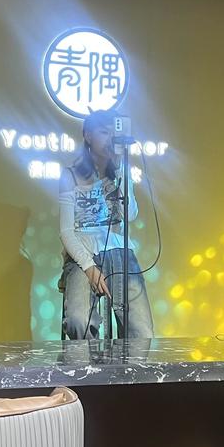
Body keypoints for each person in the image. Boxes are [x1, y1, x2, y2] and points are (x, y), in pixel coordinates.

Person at [59, 109, 154, 340]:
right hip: (84, 253)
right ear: (88, 135)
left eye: (113, 133)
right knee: (78, 321)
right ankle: (89, 363)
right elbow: (66, 231)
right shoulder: (70, 175)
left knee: (141, 330)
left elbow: (130, 215)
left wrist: (121, 169)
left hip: (120, 252)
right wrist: (89, 267)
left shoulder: (121, 171)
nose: (110, 138)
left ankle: (127, 364)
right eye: (104, 132)